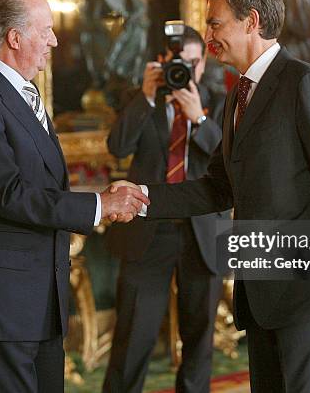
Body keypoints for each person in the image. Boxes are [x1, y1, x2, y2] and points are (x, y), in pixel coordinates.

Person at [114, 0, 310, 392]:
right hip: (261, 292)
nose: (210, 34)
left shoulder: (304, 83)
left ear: (251, 21)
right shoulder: (239, 94)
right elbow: (218, 186)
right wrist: (142, 197)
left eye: (216, 23)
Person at [0, 0, 149, 393]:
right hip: (6, 302)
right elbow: (6, 193)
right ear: (15, 37)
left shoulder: (23, 89)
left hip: (40, 297)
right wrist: (97, 207)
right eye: (45, 30)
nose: (54, 40)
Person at [103, 26, 230, 392]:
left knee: (199, 342)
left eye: (192, 63)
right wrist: (145, 97)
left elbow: (233, 161)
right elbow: (118, 147)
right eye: (178, 63)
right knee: (133, 337)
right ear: (161, 62)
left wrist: (200, 120)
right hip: (148, 231)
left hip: (202, 232)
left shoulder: (220, 102)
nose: (185, 71)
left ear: (203, 64)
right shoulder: (140, 99)